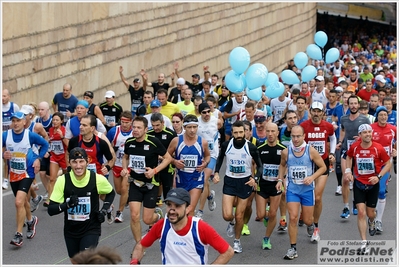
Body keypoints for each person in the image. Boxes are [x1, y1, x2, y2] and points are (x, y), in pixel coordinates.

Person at [130, 188, 234, 265]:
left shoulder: (200, 228)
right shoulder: (162, 225)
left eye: (177, 206)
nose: (172, 209)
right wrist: (134, 262)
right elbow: (140, 246)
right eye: (169, 205)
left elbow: (228, 252)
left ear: (188, 208)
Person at [47, 147, 115, 262]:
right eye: (74, 162)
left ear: (87, 162)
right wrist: (67, 205)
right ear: (69, 163)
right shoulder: (63, 180)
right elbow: (51, 210)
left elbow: (111, 193)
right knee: (75, 261)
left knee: (85, 261)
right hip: (71, 230)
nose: (78, 166)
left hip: (91, 228)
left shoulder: (97, 179)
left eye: (81, 161)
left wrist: (104, 210)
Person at [121, 116, 173, 257]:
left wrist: (155, 170)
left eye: (139, 128)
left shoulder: (153, 142)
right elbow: (125, 157)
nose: (135, 130)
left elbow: (168, 158)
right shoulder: (129, 142)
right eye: (134, 127)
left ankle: (159, 217)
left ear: (145, 129)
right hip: (135, 183)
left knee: (147, 219)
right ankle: (140, 245)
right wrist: (125, 169)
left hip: (151, 185)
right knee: (134, 215)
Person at [276, 125, 326, 260]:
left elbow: (323, 167)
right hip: (292, 189)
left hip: (307, 190)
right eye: (293, 136)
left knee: (308, 219)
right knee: (293, 217)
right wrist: (280, 179)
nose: (296, 139)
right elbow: (282, 165)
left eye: (298, 136)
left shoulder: (311, 151)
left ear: (304, 136)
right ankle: (293, 248)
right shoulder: (286, 152)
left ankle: (311, 226)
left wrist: (312, 177)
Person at [213, 121, 262, 253]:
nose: (239, 135)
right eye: (236, 132)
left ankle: (236, 241)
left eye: (241, 132)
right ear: (232, 133)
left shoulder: (251, 147)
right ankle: (231, 222)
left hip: (245, 182)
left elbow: (260, 166)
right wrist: (216, 172)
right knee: (227, 215)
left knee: (239, 215)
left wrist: (255, 178)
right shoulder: (226, 145)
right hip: (230, 181)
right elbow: (220, 158)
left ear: (245, 132)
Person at [3, 111, 49, 247]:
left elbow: (45, 144)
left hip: (27, 173)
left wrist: (38, 159)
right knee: (22, 202)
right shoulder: (6, 135)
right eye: (13, 121)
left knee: (18, 202)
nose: (15, 123)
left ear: (24, 122)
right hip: (14, 174)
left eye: (18, 121)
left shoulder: (30, 135)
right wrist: (3, 154)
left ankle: (18, 235)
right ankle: (31, 220)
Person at [345, 124, 391, 254]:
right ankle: (364, 243)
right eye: (364, 132)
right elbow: (348, 157)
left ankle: (372, 222)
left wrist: (379, 177)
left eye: (369, 132)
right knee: (361, 212)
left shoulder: (378, 148)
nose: (368, 134)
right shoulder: (354, 147)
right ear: (359, 135)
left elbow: (388, 163)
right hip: (359, 183)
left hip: (373, 184)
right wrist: (348, 171)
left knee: (370, 214)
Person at [300, 102, 336, 242]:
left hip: (323, 164)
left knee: (318, 197)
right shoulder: (304, 126)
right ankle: (307, 217)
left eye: (318, 111)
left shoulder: (328, 126)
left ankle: (315, 226)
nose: (316, 114)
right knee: (306, 195)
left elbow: (332, 138)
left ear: (323, 113)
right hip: (307, 164)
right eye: (313, 111)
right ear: (310, 112)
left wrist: (332, 152)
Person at [167, 115, 211, 217]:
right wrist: (174, 162)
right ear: (184, 127)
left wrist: (205, 163)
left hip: (196, 180)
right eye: (189, 127)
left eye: (195, 127)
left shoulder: (202, 142)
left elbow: (208, 156)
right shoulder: (176, 141)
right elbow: (166, 157)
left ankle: (189, 232)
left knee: (190, 210)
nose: (192, 130)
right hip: (180, 180)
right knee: (180, 210)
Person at [336, 95, 371, 219]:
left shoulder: (365, 119)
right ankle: (346, 207)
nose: (354, 106)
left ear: (358, 104)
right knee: (346, 178)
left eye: (356, 103)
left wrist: (361, 138)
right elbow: (343, 130)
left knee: (357, 179)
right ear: (348, 104)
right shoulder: (344, 118)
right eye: (351, 103)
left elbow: (369, 136)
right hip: (347, 151)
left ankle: (356, 203)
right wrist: (340, 142)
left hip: (360, 153)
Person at [256, 122, 286, 250]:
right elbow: (254, 164)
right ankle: (266, 218)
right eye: (268, 131)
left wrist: (281, 179)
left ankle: (266, 238)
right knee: (261, 215)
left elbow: (285, 166)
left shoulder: (283, 149)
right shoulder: (260, 148)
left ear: (277, 133)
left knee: (273, 213)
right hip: (262, 185)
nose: (270, 134)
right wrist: (254, 178)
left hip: (276, 186)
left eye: (273, 131)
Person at [370, 107, 397, 233]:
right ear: (377, 116)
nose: (383, 117)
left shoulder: (393, 129)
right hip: (370, 164)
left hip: (384, 165)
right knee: (370, 192)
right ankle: (371, 214)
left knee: (381, 191)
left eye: (385, 115)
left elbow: (396, 142)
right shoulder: (371, 128)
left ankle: (379, 220)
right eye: (380, 115)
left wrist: (395, 151)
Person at [196, 103, 222, 219]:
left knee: (204, 179)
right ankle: (210, 195)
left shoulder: (216, 121)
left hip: (212, 155)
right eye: (204, 112)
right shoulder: (196, 123)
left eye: (208, 111)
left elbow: (221, 120)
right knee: (204, 182)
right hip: (200, 156)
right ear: (199, 113)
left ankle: (200, 211)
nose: (207, 114)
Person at [106, 111, 134, 223]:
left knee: (124, 188)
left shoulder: (135, 132)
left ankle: (119, 213)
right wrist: (112, 149)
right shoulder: (114, 131)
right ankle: (126, 199)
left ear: (131, 122)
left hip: (129, 166)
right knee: (119, 191)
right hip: (116, 164)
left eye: (126, 122)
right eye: (122, 122)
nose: (124, 124)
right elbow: (107, 145)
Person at [147, 113, 177, 205]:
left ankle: (169, 214)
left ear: (163, 123)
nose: (155, 128)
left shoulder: (171, 134)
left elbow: (176, 151)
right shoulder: (148, 134)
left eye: (157, 125)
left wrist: (164, 156)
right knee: (152, 193)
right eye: (153, 125)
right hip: (152, 167)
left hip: (167, 167)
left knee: (167, 192)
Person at [45, 112, 68, 207]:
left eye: (57, 120)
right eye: (53, 120)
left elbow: (68, 144)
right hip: (54, 156)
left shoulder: (65, 130)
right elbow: (49, 142)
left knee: (67, 178)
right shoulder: (50, 130)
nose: (54, 122)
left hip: (64, 157)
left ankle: (66, 196)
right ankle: (50, 199)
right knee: (52, 179)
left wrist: (62, 136)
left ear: (61, 121)